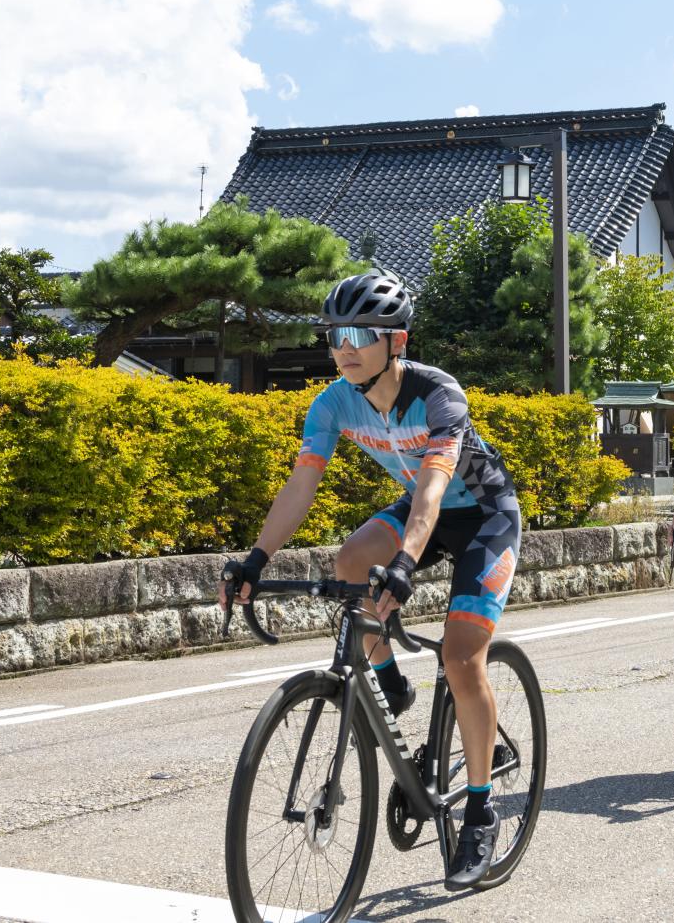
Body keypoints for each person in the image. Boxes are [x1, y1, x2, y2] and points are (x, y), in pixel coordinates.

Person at [219, 271, 520, 890]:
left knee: (463, 659)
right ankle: (390, 683)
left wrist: (409, 561)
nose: (345, 347)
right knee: (350, 563)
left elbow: (435, 484)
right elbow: (302, 484)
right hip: (420, 512)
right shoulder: (332, 402)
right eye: (334, 335)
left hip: (483, 518)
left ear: (397, 340)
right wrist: (256, 558)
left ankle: (482, 811)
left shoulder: (438, 394)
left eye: (360, 334)